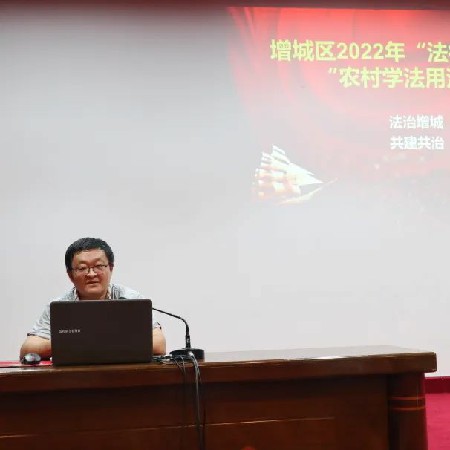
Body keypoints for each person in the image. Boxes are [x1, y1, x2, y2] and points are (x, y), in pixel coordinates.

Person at [19, 237, 166, 359]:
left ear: (111, 268)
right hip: (73, 378)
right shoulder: (60, 306)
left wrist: (90, 343)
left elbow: (159, 344)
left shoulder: (130, 299)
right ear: (70, 275)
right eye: (82, 268)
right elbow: (28, 349)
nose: (91, 274)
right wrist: (86, 342)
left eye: (99, 266)